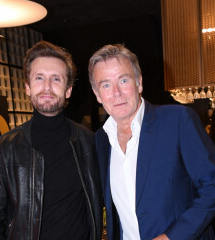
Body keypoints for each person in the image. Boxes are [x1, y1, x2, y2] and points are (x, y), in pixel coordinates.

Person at [88, 43, 215, 240]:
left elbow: (212, 185)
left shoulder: (178, 120)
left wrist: (172, 236)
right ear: (97, 94)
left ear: (139, 82)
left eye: (123, 80)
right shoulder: (101, 139)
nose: (116, 92)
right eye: (105, 85)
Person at [0, 40, 102, 240]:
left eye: (56, 79)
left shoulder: (89, 142)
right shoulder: (5, 147)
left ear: (68, 89)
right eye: (39, 78)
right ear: (27, 87)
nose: (47, 87)